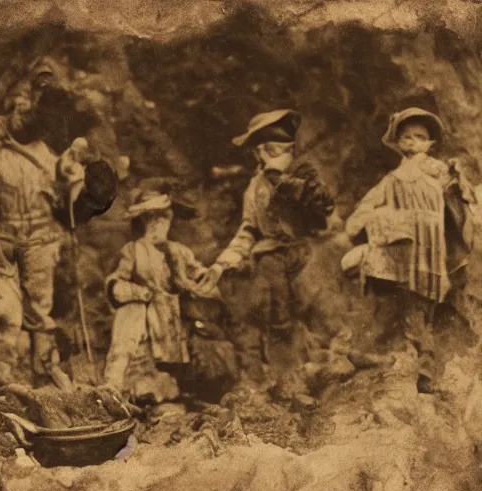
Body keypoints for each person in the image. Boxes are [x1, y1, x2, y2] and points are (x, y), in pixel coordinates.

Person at [0, 75, 116, 390]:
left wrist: (81, 185)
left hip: (42, 237)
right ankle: (2, 375)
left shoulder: (48, 154)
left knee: (41, 309)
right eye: (15, 108)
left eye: (26, 110)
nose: (20, 114)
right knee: (7, 310)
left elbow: (68, 195)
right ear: (7, 112)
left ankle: (44, 372)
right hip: (2, 237)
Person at [343, 108, 477, 388]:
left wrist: (458, 184)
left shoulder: (440, 172)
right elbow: (362, 212)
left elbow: (463, 204)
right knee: (403, 304)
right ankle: (404, 359)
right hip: (403, 253)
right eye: (407, 137)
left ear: (430, 144)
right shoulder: (392, 181)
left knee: (430, 305)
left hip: (433, 251)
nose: (414, 142)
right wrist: (375, 221)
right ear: (398, 143)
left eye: (420, 137)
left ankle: (430, 365)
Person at [201, 110, 334, 369]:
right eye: (263, 151)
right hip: (273, 253)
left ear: (292, 151)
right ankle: (275, 351)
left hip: (305, 248)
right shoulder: (255, 188)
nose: (268, 157)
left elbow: (325, 217)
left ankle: (323, 347)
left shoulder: (305, 177)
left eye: (277, 150)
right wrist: (221, 263)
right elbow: (249, 229)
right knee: (259, 272)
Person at [104, 189, 218, 402]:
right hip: (148, 318)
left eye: (162, 219)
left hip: (176, 317)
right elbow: (117, 283)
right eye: (151, 219)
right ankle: (134, 390)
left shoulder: (179, 251)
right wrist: (137, 292)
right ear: (142, 223)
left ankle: (183, 390)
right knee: (138, 333)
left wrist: (204, 278)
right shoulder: (134, 251)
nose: (157, 225)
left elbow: (196, 271)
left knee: (194, 348)